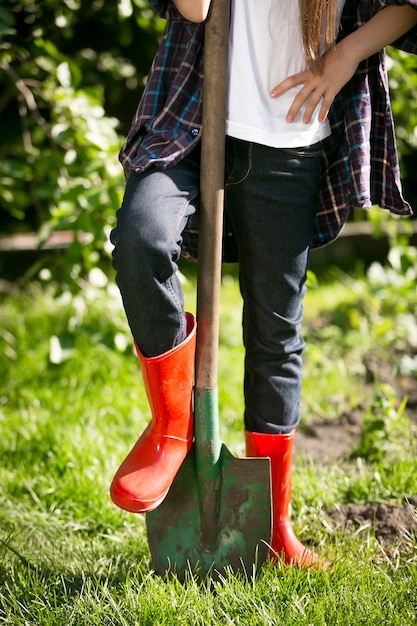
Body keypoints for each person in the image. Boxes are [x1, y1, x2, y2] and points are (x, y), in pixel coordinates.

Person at [109, 0, 417, 567]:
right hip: (191, 125)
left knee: (276, 332)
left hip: (291, 144)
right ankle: (173, 428)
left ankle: (274, 526)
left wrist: (345, 55)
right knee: (141, 238)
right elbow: (196, 10)